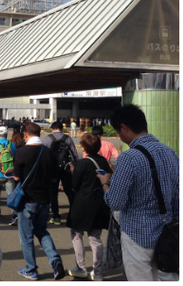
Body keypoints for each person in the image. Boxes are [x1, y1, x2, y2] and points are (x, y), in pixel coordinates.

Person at [97, 105, 179, 281]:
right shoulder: (170, 152)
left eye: (119, 131)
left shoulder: (129, 158)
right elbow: (177, 196)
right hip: (167, 233)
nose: (120, 136)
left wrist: (105, 185)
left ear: (124, 128)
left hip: (137, 235)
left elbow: (115, 202)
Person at [13, 121, 65, 281]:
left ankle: (31, 270)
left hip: (27, 200)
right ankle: (56, 261)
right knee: (42, 231)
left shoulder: (22, 152)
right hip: (45, 199)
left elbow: (16, 177)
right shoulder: (48, 153)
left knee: (27, 237)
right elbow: (55, 177)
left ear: (26, 135)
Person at [66, 133, 112, 281]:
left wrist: (73, 172)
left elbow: (75, 185)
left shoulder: (82, 164)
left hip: (82, 204)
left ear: (84, 147)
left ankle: (81, 268)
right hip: (99, 203)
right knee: (95, 238)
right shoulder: (104, 162)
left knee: (77, 234)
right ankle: (98, 272)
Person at [43, 121, 79, 226]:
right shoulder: (67, 138)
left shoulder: (48, 138)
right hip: (66, 168)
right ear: (61, 129)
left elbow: (44, 155)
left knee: (53, 193)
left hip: (52, 170)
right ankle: (73, 214)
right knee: (69, 191)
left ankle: (56, 216)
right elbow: (75, 155)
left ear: (53, 129)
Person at [0, 126, 17, 225]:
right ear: (7, 134)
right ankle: (14, 214)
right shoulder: (12, 145)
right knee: (11, 195)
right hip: (10, 173)